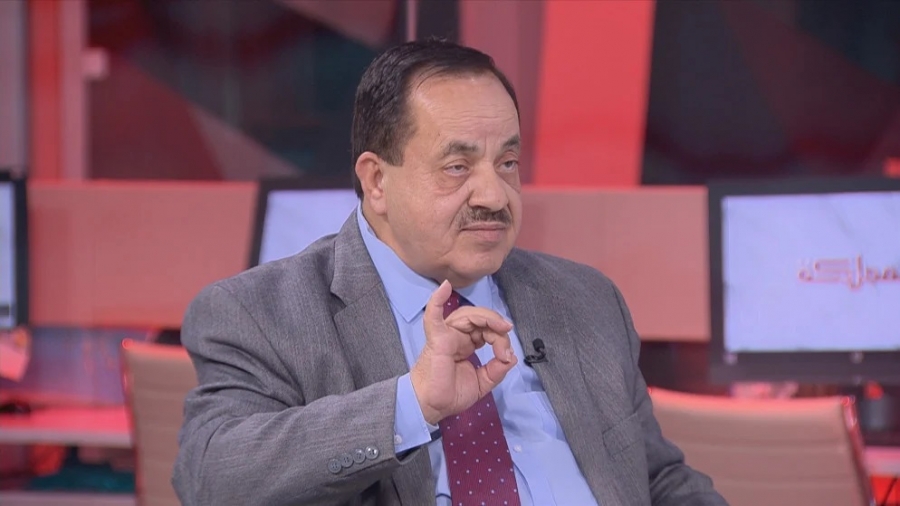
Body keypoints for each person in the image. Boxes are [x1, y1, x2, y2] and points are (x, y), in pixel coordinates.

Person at [173, 38, 728, 506]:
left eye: (507, 163)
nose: (494, 195)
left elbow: (657, 480)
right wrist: (412, 404)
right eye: (457, 167)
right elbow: (213, 478)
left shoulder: (584, 299)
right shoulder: (262, 314)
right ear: (376, 181)